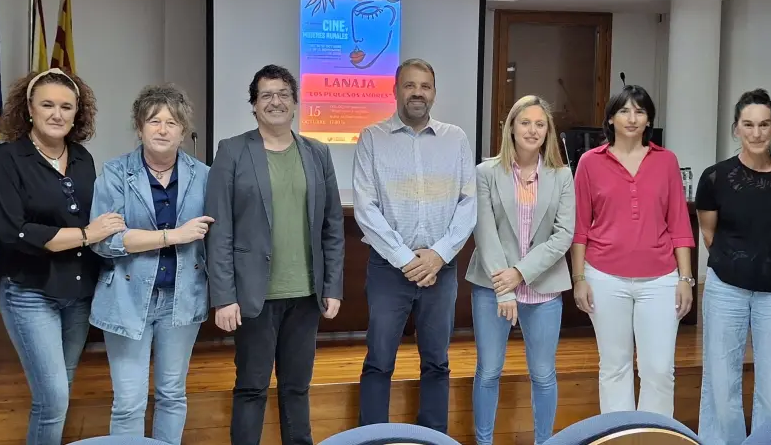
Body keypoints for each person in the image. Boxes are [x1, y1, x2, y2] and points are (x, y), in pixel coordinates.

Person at [207, 64, 345, 445]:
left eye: (284, 94)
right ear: (253, 105)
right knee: (251, 388)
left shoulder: (317, 153)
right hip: (254, 298)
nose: (276, 102)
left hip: (305, 295)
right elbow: (219, 229)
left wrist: (332, 286)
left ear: (296, 103)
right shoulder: (232, 151)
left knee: (296, 389)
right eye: (266, 95)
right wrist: (224, 297)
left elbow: (332, 227)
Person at [0, 68, 125, 445]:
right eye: (47, 104)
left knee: (56, 394)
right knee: (54, 399)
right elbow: (14, 232)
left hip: (77, 296)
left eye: (66, 106)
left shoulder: (82, 158)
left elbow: (93, 217)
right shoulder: (5, 160)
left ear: (77, 112)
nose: (57, 113)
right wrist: (86, 234)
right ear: (29, 108)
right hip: (30, 293)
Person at [354, 58, 477, 433]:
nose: (417, 92)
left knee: (437, 361)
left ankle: (434, 437)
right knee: (379, 360)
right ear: (395, 91)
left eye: (425, 86)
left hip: (441, 269)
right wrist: (407, 259)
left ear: (434, 93)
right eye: (409, 85)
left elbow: (468, 203)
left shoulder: (455, 138)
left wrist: (438, 255)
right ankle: (373, 439)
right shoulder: (372, 138)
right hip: (389, 269)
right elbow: (365, 206)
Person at [88, 84, 212, 444]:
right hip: (126, 299)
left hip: (182, 298)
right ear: (139, 128)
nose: (162, 129)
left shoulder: (203, 175)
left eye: (171, 122)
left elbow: (215, 236)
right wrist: (172, 236)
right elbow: (105, 240)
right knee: (128, 402)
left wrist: (134, 235)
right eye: (153, 121)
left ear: (184, 131)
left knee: (173, 394)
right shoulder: (115, 173)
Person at [696, 89, 771, 445]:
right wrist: (738, 265)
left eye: (764, 124)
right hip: (726, 289)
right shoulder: (715, 177)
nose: (756, 132)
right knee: (720, 382)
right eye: (748, 124)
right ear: (736, 128)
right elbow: (709, 231)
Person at [570, 84, 695, 417]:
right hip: (604, 277)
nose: (632, 117)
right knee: (614, 367)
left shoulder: (666, 161)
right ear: (611, 118)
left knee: (658, 369)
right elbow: (580, 227)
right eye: (624, 110)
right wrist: (579, 278)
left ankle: (656, 437)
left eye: (640, 111)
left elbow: (680, 224)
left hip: (661, 279)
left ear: (649, 119)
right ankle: (618, 436)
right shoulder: (589, 163)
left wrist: (686, 278)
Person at [466, 95, 575, 445]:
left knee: (543, 375)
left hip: (544, 289)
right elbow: (484, 233)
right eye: (525, 122)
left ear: (548, 131)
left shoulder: (561, 176)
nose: (532, 130)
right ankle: (484, 441)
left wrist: (520, 274)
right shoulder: (485, 172)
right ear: (511, 127)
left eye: (540, 124)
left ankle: (545, 441)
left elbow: (563, 236)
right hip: (492, 287)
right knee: (489, 372)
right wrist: (505, 287)